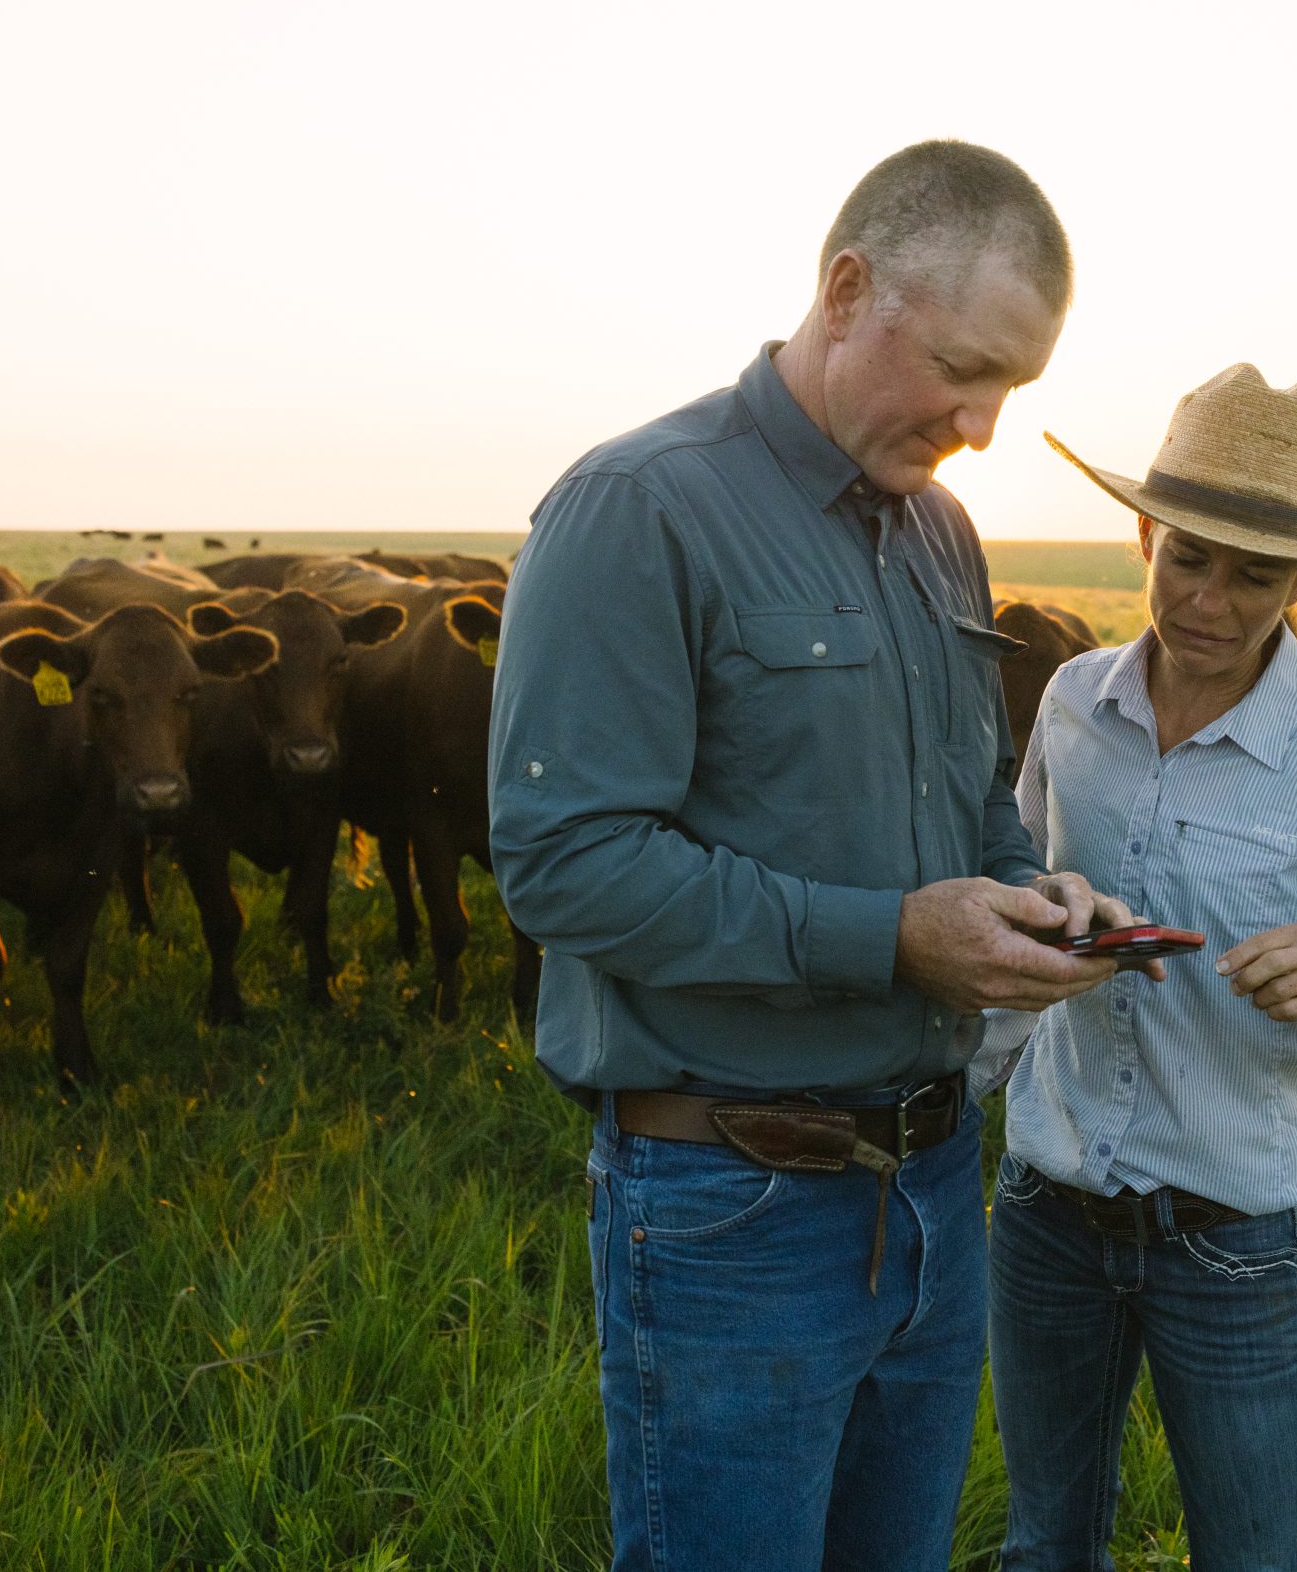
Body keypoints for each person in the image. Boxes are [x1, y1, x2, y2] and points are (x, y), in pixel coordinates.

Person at [487, 141, 1144, 1572]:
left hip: (929, 1185)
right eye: (964, 368)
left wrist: (1032, 894)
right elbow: (566, 867)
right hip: (734, 1202)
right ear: (848, 290)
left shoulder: (943, 535)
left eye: (1014, 389)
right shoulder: (636, 509)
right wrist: (894, 937)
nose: (981, 423)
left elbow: (966, 795)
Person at [977, 363, 1297, 1571]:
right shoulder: (1070, 704)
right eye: (1189, 555)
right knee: (1045, 1544)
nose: (1210, 597)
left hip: (1234, 1235)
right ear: (1142, 534)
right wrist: (1046, 909)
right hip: (1046, 1208)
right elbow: (1012, 894)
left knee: (1249, 1557)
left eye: (1255, 573)